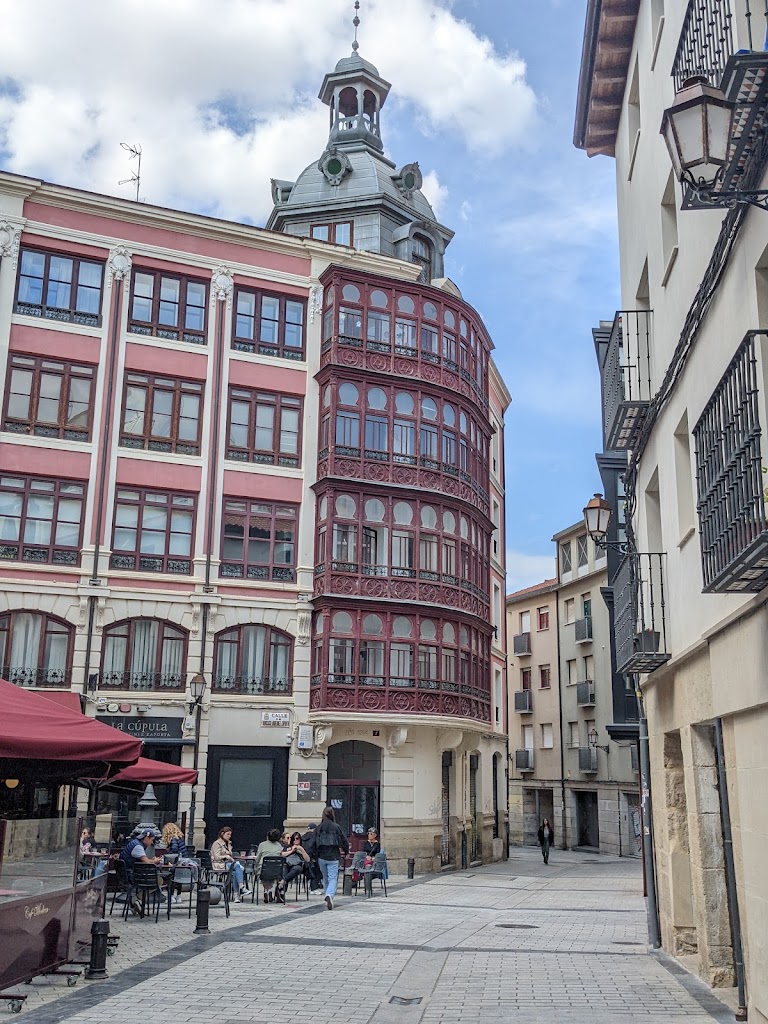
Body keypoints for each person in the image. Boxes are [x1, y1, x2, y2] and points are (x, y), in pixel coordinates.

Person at [314, 807, 349, 910]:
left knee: (325, 878)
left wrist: (312, 855)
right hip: (333, 856)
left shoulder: (319, 827)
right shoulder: (336, 827)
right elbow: (343, 840)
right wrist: (346, 851)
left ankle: (327, 895)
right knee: (333, 877)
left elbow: (313, 841)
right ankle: (329, 895)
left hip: (321, 856)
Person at [120, 829, 161, 914]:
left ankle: (134, 901)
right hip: (132, 875)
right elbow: (146, 862)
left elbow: (143, 859)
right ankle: (136, 899)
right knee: (159, 880)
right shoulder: (138, 846)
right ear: (146, 838)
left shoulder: (134, 843)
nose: (151, 843)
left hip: (125, 874)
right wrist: (155, 861)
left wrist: (151, 860)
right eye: (152, 840)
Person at [210, 827, 251, 903]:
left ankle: (236, 896)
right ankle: (241, 887)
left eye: (230, 834)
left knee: (235, 872)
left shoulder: (228, 843)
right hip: (219, 864)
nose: (229, 836)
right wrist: (226, 856)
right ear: (222, 834)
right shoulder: (217, 843)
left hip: (228, 864)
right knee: (236, 866)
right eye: (227, 834)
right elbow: (216, 856)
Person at [161, 822, 199, 902]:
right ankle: (178, 896)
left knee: (171, 877)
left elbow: (174, 849)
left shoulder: (173, 839)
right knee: (179, 878)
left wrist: (169, 857)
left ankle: (170, 896)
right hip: (183, 861)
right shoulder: (180, 837)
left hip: (176, 861)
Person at [277, 831, 310, 902]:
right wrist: (292, 850)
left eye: (297, 838)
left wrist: (302, 850)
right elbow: (281, 854)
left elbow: (307, 860)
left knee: (298, 869)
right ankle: (281, 892)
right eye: (294, 839)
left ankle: (282, 883)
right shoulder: (287, 847)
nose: (295, 840)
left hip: (297, 865)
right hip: (287, 864)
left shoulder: (303, 847)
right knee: (284, 870)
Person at [253, 828, 284, 903]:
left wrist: (255, 866)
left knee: (263, 872)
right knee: (272, 871)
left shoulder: (262, 845)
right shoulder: (279, 846)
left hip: (263, 870)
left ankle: (267, 891)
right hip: (276, 871)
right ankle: (269, 891)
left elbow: (257, 858)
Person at [301, 822, 323, 892]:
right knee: (319, 868)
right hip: (313, 861)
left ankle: (316, 885)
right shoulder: (316, 837)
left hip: (303, 862)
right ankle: (314, 887)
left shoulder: (302, 838)